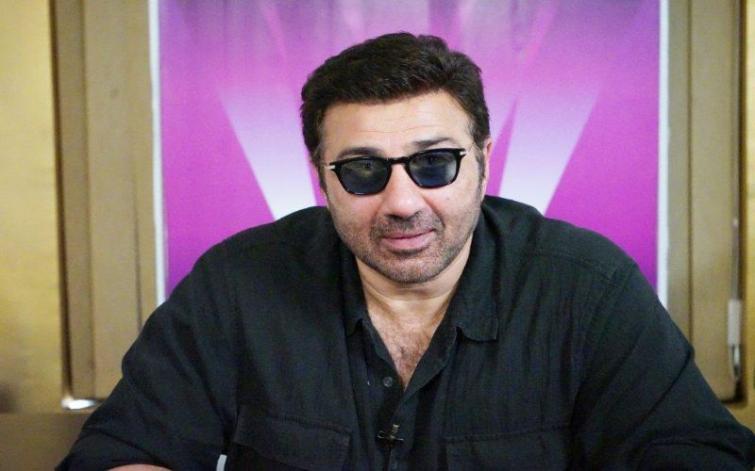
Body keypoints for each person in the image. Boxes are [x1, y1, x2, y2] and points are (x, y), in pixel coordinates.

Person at [60, 32, 753, 470]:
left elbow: (693, 452)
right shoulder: (236, 284)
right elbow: (126, 450)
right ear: (320, 176)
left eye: (433, 164)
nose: (400, 201)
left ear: (483, 160)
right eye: (363, 170)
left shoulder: (587, 287)